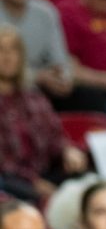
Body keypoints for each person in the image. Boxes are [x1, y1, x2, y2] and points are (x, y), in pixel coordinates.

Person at [0, 27, 87, 202]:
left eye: (14, 49)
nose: (8, 57)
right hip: (11, 180)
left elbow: (56, 137)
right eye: (1, 50)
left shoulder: (36, 98)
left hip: (44, 174)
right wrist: (34, 182)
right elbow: (4, 163)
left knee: (87, 174)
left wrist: (68, 150)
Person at [0, 0, 72, 101]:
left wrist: (63, 78)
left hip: (40, 86)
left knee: (87, 96)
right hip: (5, 84)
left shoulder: (46, 12)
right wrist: (37, 77)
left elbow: (60, 60)